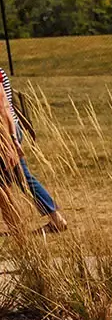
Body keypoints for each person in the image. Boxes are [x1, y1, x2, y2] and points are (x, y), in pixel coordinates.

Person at [0, 66, 66, 231]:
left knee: (19, 178)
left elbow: (4, 107)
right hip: (9, 129)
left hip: (6, 131)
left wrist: (12, 140)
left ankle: (51, 220)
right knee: (16, 179)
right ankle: (21, 226)